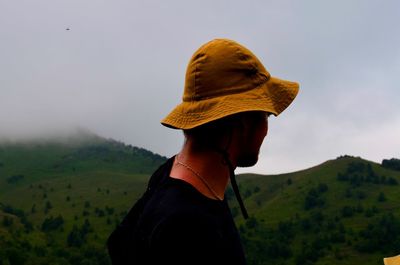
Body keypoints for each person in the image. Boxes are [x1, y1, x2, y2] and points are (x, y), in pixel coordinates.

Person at [107, 38, 299, 265]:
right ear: (243, 122)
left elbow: (118, 244)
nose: (266, 130)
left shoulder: (169, 177)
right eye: (266, 115)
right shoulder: (187, 229)